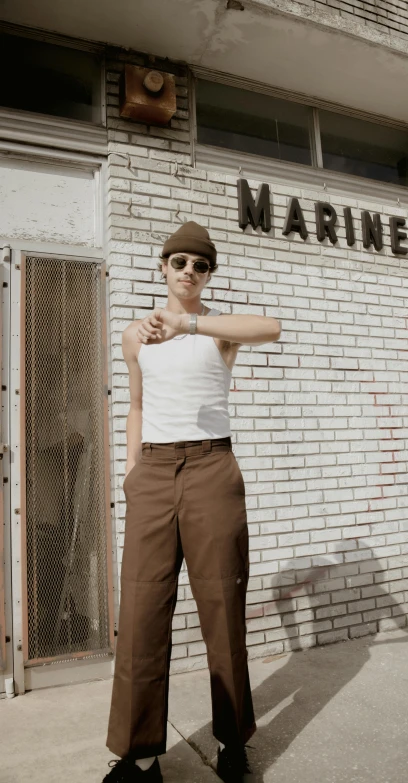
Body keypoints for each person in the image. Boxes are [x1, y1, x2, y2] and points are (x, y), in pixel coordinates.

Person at [102, 221, 282, 783]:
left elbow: (272, 327)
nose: (188, 272)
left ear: (208, 275)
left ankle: (231, 741)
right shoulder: (135, 335)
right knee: (141, 613)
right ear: (162, 266)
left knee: (222, 609)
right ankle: (140, 756)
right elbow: (134, 404)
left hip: (211, 469)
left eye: (200, 265)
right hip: (154, 472)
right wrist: (132, 471)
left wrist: (189, 322)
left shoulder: (217, 329)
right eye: (179, 262)